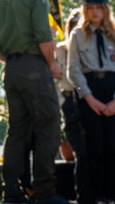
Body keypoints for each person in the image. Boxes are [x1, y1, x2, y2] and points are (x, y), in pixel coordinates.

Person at [0, 0, 68, 204]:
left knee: (17, 131)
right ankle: (44, 191)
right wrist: (52, 64)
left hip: (12, 71)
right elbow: (42, 35)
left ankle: (12, 192)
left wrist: (11, 58)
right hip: (36, 68)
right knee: (48, 126)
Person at [66, 0, 115, 204]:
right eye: (90, 8)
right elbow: (73, 68)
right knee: (94, 147)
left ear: (105, 9)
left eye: (98, 7)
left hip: (112, 88)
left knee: (112, 146)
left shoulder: (114, 32)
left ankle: (112, 194)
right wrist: (89, 97)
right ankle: (98, 196)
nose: (95, 12)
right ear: (85, 10)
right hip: (89, 89)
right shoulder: (77, 35)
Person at [56, 11, 89, 204]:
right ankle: (83, 196)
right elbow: (55, 79)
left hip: (89, 101)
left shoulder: (90, 48)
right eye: (74, 24)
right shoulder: (62, 49)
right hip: (69, 102)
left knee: (94, 152)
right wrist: (62, 103)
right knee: (80, 153)